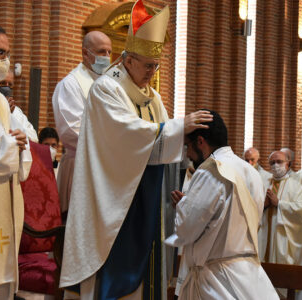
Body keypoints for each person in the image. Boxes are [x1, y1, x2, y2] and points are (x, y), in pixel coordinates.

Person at [59, 1, 213, 299]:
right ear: (127, 60)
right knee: (115, 263)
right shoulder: (106, 89)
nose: (152, 73)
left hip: (147, 193)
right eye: (147, 66)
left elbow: (165, 140)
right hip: (113, 195)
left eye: (156, 66)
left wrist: (187, 138)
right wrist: (180, 125)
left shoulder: (152, 97)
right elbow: (125, 134)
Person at [166, 110, 278, 299]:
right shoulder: (252, 173)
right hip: (248, 274)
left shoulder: (210, 171)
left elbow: (186, 230)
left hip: (215, 279)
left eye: (187, 146)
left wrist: (183, 205)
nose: (188, 154)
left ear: (200, 141)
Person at [0, 23, 32, 300]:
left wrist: (19, 143)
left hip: (5, 196)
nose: (5, 61)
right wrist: (7, 146)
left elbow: (18, 145)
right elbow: (3, 147)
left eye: (7, 53)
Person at [52, 30, 112, 215]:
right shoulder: (70, 84)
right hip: (81, 165)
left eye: (110, 52)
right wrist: (109, 146)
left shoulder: (110, 84)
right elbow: (71, 130)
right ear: (86, 53)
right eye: (102, 52)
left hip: (107, 167)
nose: (107, 57)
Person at [258, 151, 302, 266]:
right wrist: (263, 205)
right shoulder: (262, 183)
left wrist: (279, 204)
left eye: (279, 162)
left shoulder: (295, 186)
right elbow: (251, 206)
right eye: (272, 162)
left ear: (287, 164)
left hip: (283, 236)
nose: (275, 165)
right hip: (263, 233)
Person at [0, 70, 38, 142]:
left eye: (10, 85)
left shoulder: (17, 111)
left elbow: (34, 138)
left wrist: (21, 135)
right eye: (2, 83)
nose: (7, 88)